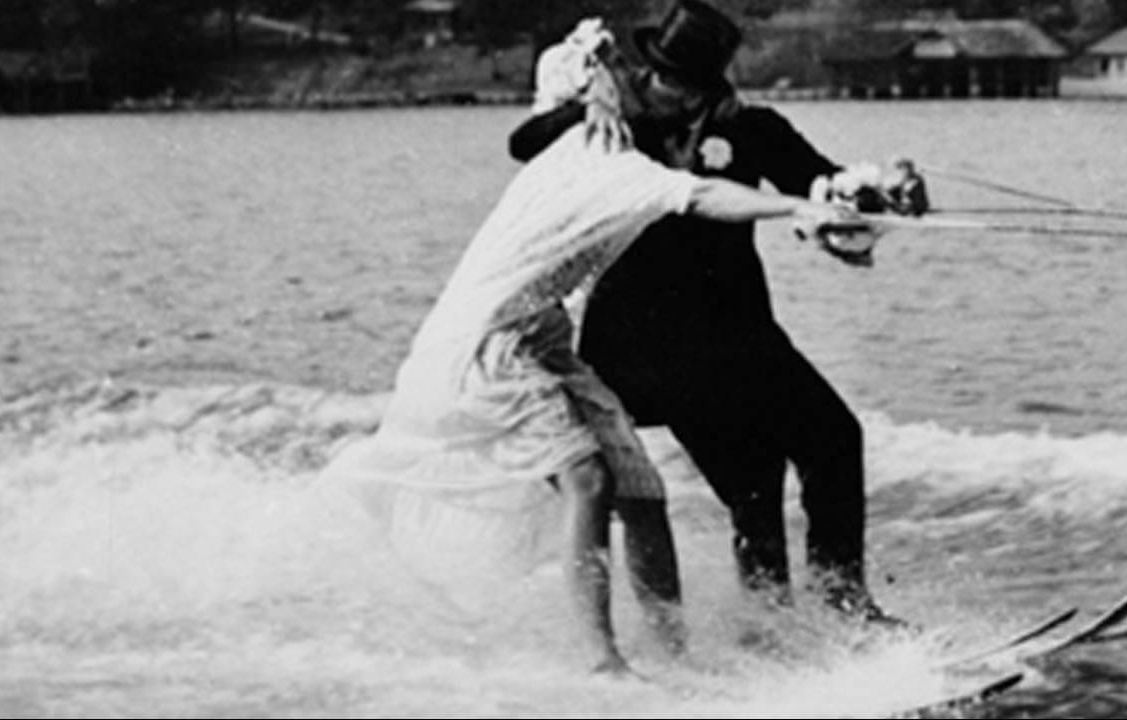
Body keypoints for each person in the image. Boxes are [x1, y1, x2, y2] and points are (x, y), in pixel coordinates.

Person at [319, 33, 861, 675]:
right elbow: (702, 195)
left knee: (645, 498)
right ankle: (603, 663)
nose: (674, 96)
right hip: (501, 341)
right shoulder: (606, 156)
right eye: (658, 81)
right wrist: (797, 205)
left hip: (551, 334)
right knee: (591, 480)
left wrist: (846, 202)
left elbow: (590, 54)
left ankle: (679, 659)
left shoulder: (654, 136)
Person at [509, 0, 926, 624]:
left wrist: (886, 196)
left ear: (709, 85)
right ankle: (773, 627)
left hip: (741, 333)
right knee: (755, 476)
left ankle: (842, 604)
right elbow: (523, 144)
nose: (667, 90)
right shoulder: (615, 126)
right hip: (645, 346)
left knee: (835, 438)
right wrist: (589, 100)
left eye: (684, 83)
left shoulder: (751, 129)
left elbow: (825, 190)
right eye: (658, 77)